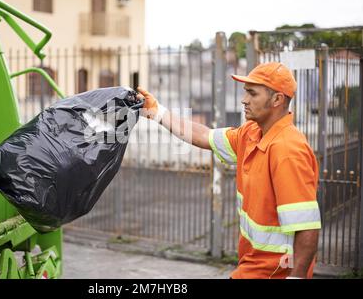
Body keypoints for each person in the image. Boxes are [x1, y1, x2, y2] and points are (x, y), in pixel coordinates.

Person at [136, 62, 322, 279]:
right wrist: (157, 112)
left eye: (252, 93)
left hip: (275, 272)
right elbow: (204, 135)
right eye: (245, 93)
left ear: (277, 99)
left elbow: (307, 227)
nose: (244, 100)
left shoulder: (287, 150)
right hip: (253, 265)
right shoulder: (251, 133)